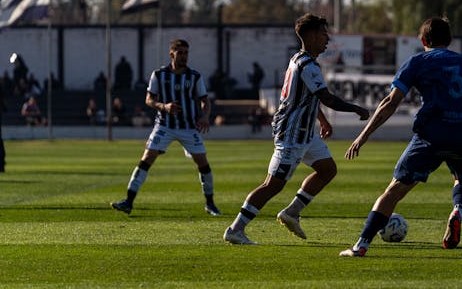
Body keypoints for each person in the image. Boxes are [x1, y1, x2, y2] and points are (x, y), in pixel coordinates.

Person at [338, 17, 462, 257]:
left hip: (430, 136)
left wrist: (363, 136)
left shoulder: (417, 62)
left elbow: (390, 102)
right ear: (449, 40)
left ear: (423, 40)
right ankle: (458, 210)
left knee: (394, 191)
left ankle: (361, 245)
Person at [223, 13, 369, 245]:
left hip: (304, 133)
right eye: (323, 33)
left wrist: (321, 120)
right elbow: (327, 98)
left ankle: (291, 212)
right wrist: (357, 109)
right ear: (311, 36)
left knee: (327, 169)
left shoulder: (298, 59)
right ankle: (235, 229)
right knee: (273, 184)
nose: (327, 39)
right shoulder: (308, 65)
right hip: (292, 133)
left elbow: (306, 97)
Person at [111, 39, 221, 216]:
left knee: (202, 162)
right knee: (147, 157)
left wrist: (205, 117)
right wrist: (164, 106)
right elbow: (149, 99)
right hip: (165, 125)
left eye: (186, 53)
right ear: (172, 54)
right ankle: (128, 202)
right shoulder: (159, 74)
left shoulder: (194, 76)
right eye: (180, 53)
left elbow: (204, 100)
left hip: (188, 127)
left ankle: (210, 203)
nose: (184, 56)